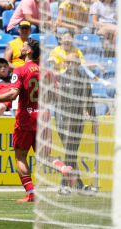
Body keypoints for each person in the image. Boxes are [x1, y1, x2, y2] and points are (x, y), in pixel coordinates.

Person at [0, 38, 77, 202]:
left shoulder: (20, 71)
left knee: (20, 156)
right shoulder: (47, 72)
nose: (20, 48)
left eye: (23, 46)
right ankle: (64, 168)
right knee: (44, 156)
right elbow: (57, 96)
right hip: (43, 117)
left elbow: (13, 95)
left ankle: (31, 193)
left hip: (26, 118)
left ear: (29, 51)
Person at [55, 53, 97, 196]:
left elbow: (90, 101)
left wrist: (94, 120)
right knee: (70, 151)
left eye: (73, 62)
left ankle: (78, 185)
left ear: (79, 63)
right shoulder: (59, 78)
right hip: (62, 119)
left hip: (78, 120)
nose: (70, 65)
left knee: (72, 152)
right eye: (68, 63)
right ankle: (62, 186)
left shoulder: (84, 80)